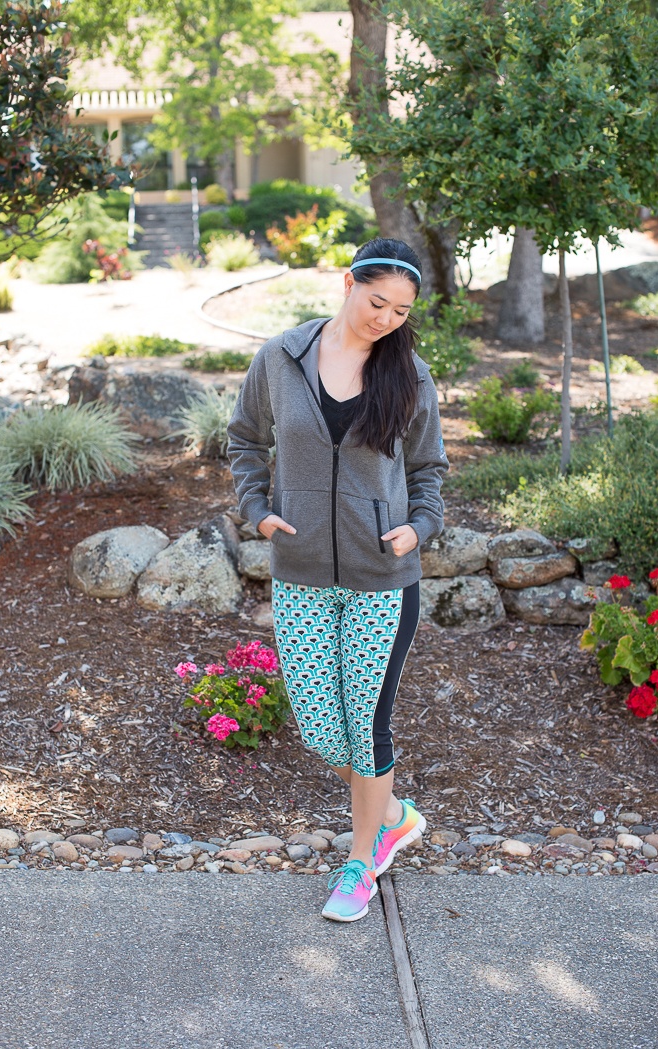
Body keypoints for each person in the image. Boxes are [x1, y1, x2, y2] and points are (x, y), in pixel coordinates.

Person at [227, 237, 448, 922]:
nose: (386, 319)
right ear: (348, 283)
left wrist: (419, 527)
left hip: (383, 576)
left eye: (401, 311)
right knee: (323, 728)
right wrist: (258, 510)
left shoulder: (409, 374)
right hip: (300, 570)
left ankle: (362, 862)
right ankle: (393, 814)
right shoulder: (281, 357)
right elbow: (244, 439)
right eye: (377, 301)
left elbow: (428, 469)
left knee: (367, 723)